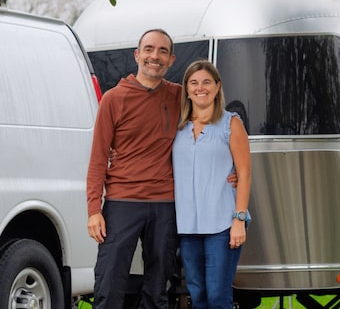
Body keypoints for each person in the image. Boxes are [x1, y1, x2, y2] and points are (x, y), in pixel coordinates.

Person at [86, 28, 181, 309]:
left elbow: (212, 124)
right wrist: (94, 209)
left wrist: (233, 168)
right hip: (122, 202)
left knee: (158, 288)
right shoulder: (114, 99)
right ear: (137, 55)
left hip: (166, 203)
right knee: (109, 283)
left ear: (171, 60)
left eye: (163, 51)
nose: (155, 56)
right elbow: (98, 158)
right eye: (149, 49)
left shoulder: (179, 97)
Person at [172, 59, 251, 309]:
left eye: (206, 82)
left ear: (217, 86)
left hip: (222, 225)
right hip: (188, 227)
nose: (200, 88)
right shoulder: (178, 128)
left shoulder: (231, 124)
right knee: (198, 296)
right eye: (194, 83)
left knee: (218, 296)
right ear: (186, 88)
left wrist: (239, 219)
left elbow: (245, 173)